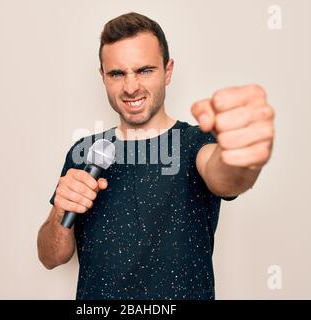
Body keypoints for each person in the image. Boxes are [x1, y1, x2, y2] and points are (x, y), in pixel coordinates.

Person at [37, 12, 275, 299]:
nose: (130, 87)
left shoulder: (196, 142)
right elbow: (51, 257)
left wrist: (242, 157)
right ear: (103, 76)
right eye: (117, 73)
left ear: (168, 70)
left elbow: (225, 177)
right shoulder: (86, 153)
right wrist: (60, 211)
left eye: (144, 70)